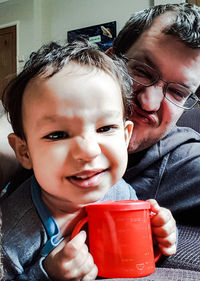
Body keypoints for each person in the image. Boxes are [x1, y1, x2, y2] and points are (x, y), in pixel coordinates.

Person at [1, 40, 176, 281]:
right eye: (58, 135)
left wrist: (158, 235)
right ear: (25, 152)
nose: (89, 151)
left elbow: (138, 250)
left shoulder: (119, 193)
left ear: (125, 137)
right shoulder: (11, 230)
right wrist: (46, 274)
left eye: (105, 128)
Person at [108, 2, 200, 225]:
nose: (149, 103)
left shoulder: (184, 163)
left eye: (178, 92)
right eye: (141, 71)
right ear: (108, 61)